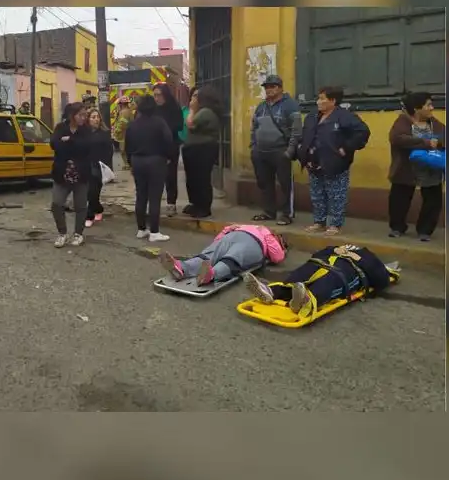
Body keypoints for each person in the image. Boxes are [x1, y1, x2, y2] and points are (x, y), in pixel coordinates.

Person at [296, 86, 370, 236]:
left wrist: (346, 148)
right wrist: (302, 152)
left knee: (336, 195)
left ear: (333, 101)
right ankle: (319, 222)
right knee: (317, 195)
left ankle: (335, 224)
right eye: (318, 98)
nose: (318, 102)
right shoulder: (312, 117)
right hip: (314, 163)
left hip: (335, 163)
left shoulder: (345, 117)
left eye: (322, 99)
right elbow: (305, 136)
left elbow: (363, 132)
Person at [243, 244, 395, 316]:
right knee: (299, 276)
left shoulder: (368, 256)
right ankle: (270, 292)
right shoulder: (337, 248)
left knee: (330, 280)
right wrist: (334, 250)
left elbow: (381, 280)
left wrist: (358, 258)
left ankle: (307, 300)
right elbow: (316, 255)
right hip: (320, 263)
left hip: (347, 271)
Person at [388, 91, 446, 241]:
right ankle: (397, 227)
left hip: (430, 168)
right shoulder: (403, 121)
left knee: (433, 200)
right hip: (407, 168)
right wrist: (426, 143)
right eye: (428, 105)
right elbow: (397, 138)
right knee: (399, 199)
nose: (432, 108)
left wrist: (439, 142)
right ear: (416, 108)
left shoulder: (434, 123)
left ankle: (425, 230)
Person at [157, 224, 287, 286]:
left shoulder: (255, 229)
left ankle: (186, 268)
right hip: (246, 240)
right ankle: (205, 273)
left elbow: (277, 256)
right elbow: (277, 256)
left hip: (239, 237)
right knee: (228, 257)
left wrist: (218, 242)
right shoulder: (264, 232)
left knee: (217, 255)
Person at [250, 74, 302, 226]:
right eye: (267, 87)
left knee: (285, 184)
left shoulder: (290, 105)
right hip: (261, 152)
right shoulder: (261, 106)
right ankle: (268, 211)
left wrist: (289, 151)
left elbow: (296, 130)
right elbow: (254, 127)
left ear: (280, 88)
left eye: (272, 86)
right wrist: (254, 146)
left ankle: (287, 214)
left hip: (280, 151)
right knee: (264, 183)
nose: (269, 90)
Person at [124, 94, 175, 242]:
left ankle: (141, 229)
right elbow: (168, 140)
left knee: (141, 195)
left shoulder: (133, 125)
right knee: (154, 197)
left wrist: (131, 162)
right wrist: (168, 157)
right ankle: (154, 232)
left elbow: (127, 146)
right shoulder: (160, 123)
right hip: (156, 161)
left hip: (137, 161)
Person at [50, 102, 92, 247]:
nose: (83, 118)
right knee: (57, 203)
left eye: (85, 115)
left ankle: (78, 234)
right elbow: (54, 144)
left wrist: (70, 141)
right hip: (62, 172)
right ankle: (62, 233)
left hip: (81, 173)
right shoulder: (61, 128)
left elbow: (86, 147)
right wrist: (73, 146)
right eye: (80, 115)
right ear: (72, 115)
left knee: (80, 205)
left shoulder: (86, 130)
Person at [181, 86, 222, 218]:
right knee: (193, 179)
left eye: (196, 96)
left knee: (201, 178)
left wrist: (192, 110)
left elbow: (190, 123)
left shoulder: (205, 112)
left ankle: (203, 207)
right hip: (193, 149)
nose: (192, 99)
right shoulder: (201, 111)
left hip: (203, 149)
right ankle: (195, 204)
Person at [152, 83, 185, 215]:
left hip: (171, 146)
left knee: (170, 175)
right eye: (154, 95)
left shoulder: (174, 107)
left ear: (165, 95)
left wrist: (165, 129)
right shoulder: (153, 109)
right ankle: (154, 203)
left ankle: (171, 203)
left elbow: (179, 125)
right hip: (155, 146)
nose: (156, 98)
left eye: (159, 95)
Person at [85, 109, 114, 227]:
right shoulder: (84, 133)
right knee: (89, 193)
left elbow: (109, 151)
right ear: (88, 119)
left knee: (93, 191)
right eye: (93, 117)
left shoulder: (104, 133)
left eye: (97, 117)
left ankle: (89, 216)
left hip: (98, 167)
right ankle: (99, 209)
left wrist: (105, 164)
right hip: (86, 166)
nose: (96, 119)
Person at [111, 96, 134, 168]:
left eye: (119, 104)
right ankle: (128, 164)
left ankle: (127, 164)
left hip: (123, 135)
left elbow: (122, 123)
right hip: (129, 134)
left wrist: (116, 131)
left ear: (122, 104)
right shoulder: (129, 111)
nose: (118, 106)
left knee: (123, 150)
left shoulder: (123, 112)